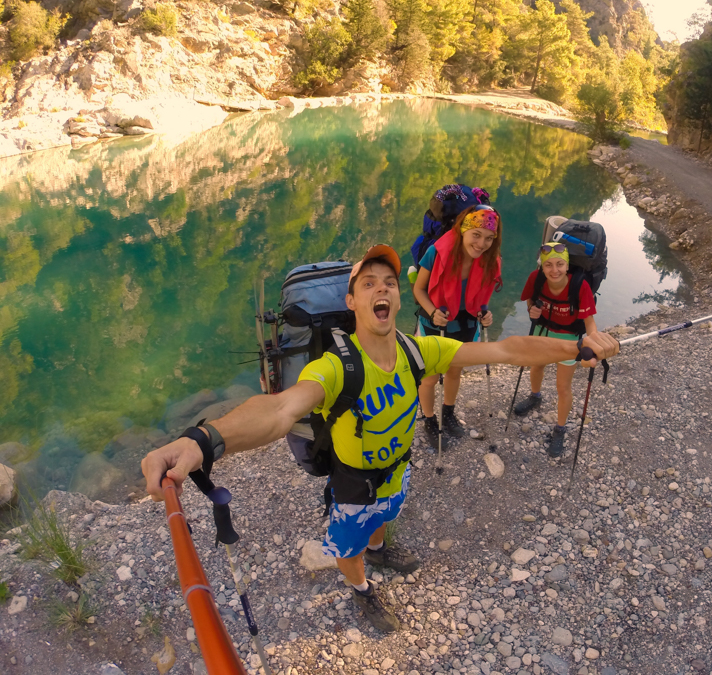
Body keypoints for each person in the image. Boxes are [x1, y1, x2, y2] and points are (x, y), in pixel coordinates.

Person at [141, 244, 618, 634]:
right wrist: (205, 440)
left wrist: (574, 346)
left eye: (388, 282)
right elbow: (280, 408)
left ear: (398, 298)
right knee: (347, 544)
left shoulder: (419, 350)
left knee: (386, 512)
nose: (381, 288)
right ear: (352, 303)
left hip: (396, 472)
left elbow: (506, 347)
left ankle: (379, 546)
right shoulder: (335, 367)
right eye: (367, 283)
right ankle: (362, 588)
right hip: (351, 485)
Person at [412, 205, 501, 449]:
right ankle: (429, 420)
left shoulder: (488, 261)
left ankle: (448, 412)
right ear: (462, 231)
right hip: (435, 324)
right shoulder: (436, 253)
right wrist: (432, 312)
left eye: (489, 238)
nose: (482, 244)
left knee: (454, 372)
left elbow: (481, 298)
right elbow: (418, 289)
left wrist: (485, 315)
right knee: (430, 378)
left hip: (465, 325)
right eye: (476, 235)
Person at [513, 242, 598, 458]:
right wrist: (531, 309)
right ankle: (535, 396)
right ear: (542, 267)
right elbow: (530, 299)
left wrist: (594, 343)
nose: (554, 270)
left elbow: (589, 322)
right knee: (536, 366)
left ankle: (560, 429)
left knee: (563, 387)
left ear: (567, 265)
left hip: (568, 337)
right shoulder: (536, 278)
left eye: (560, 264)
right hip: (542, 329)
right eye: (548, 265)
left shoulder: (580, 285)